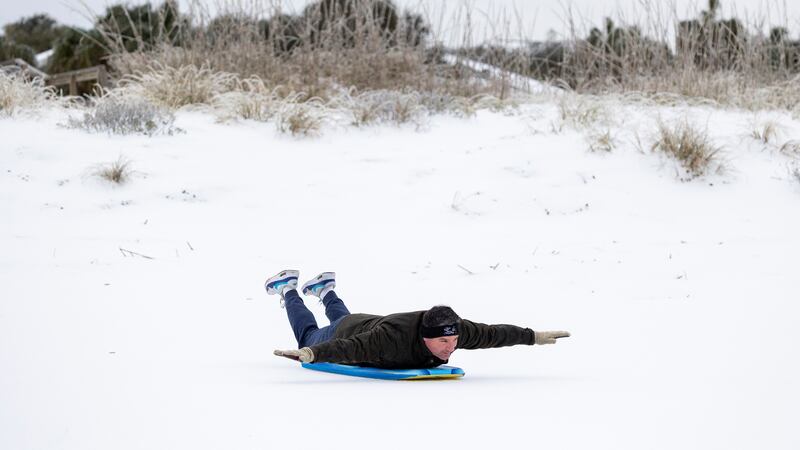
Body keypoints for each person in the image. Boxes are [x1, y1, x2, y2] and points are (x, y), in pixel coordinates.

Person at [266, 269, 570, 369]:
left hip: (362, 322)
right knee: (310, 335)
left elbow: (493, 334)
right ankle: (289, 288)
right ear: (424, 334)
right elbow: (349, 348)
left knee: (346, 321)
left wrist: (533, 336)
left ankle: (325, 289)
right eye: (443, 341)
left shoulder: (455, 330)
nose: (450, 348)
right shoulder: (390, 339)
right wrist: (311, 353)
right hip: (354, 332)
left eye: (453, 340)